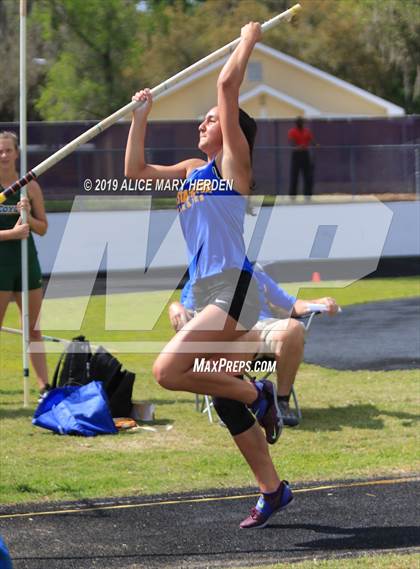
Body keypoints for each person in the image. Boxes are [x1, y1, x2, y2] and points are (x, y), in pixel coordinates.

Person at [125, 22, 292, 529]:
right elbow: (134, 174)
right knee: (221, 397)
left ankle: (255, 392)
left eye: (212, 120)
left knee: (165, 372)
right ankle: (272, 488)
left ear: (231, 129)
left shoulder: (233, 169)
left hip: (234, 291)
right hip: (206, 294)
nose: (203, 122)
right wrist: (140, 117)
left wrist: (249, 39)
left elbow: (226, 88)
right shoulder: (192, 172)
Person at [170, 266, 339, 428]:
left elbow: (292, 305)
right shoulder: (198, 279)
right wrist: (175, 306)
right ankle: (236, 403)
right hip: (228, 331)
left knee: (293, 328)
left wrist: (320, 302)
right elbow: (188, 314)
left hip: (264, 326)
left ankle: (281, 403)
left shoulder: (256, 275)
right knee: (239, 332)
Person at [0, 131, 50, 401]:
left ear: (16, 153)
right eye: (0, 151)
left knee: (33, 328)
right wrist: (10, 234)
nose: (4, 156)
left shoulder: (29, 186)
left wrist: (28, 215)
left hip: (26, 263)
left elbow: (43, 229)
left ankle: (44, 387)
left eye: (8, 150)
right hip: (1, 265)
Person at [288, 116, 317, 199]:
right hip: (296, 154)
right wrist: (297, 147)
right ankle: (292, 196)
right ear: (296, 124)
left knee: (307, 176)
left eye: (301, 122)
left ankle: (308, 195)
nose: (300, 124)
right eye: (299, 122)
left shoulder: (306, 131)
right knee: (294, 176)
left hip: (305, 154)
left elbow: (312, 140)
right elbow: (291, 142)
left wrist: (315, 144)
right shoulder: (292, 131)